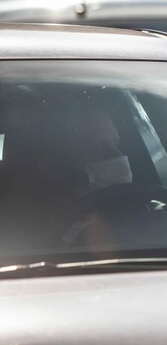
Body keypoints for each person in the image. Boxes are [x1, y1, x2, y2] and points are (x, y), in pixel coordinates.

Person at [0, 96, 132, 249]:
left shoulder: (142, 215)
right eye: (99, 149)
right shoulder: (15, 237)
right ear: (51, 166)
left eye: (117, 144)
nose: (118, 156)